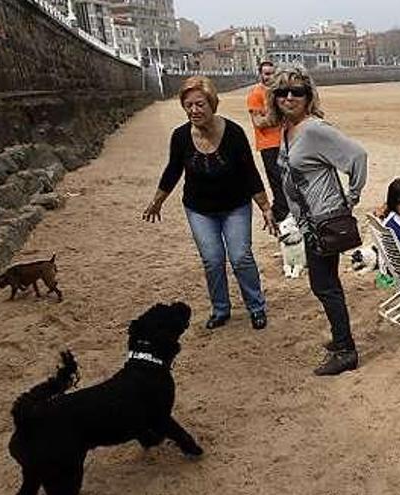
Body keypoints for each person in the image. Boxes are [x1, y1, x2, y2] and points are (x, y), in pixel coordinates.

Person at [142, 76, 276, 330]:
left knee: (240, 257)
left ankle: (256, 307)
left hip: (236, 205)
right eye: (189, 105)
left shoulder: (234, 133)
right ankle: (221, 309)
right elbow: (173, 170)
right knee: (212, 260)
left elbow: (250, 172)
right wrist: (157, 201)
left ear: (212, 104)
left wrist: (266, 208)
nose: (194, 110)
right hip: (199, 209)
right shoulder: (180, 137)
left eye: (199, 104)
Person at [267, 67, 367, 376]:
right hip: (309, 222)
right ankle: (341, 340)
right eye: (282, 92)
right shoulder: (288, 129)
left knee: (325, 285)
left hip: (324, 221)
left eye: (297, 91)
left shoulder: (313, 129)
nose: (289, 97)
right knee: (324, 284)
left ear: (309, 96)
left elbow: (357, 156)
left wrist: (350, 197)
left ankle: (346, 349)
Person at [246, 60, 289, 224]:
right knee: (277, 182)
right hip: (268, 144)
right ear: (261, 74)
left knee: (289, 181)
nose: (270, 77)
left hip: (285, 141)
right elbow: (258, 122)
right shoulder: (256, 94)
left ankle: (286, 212)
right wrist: (278, 117)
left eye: (272, 73)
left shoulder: (280, 92)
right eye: (266, 73)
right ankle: (281, 213)